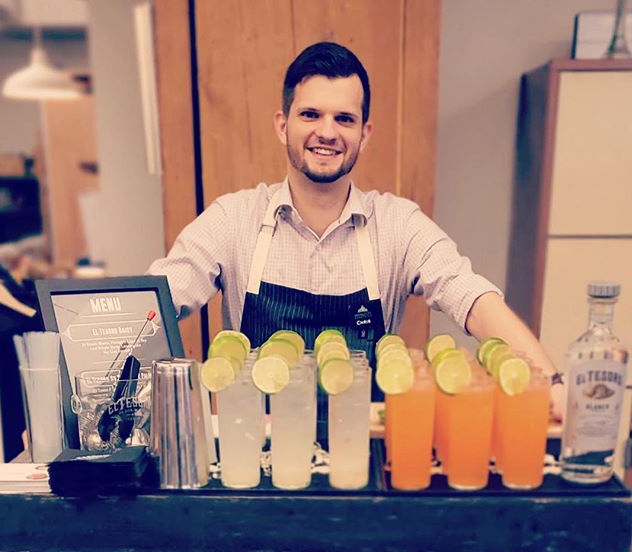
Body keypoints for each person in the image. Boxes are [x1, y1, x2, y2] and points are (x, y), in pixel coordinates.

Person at [147, 41, 564, 419]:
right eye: (310, 114)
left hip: (366, 458)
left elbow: (471, 296)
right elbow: (159, 297)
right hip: (258, 461)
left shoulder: (398, 225)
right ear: (282, 125)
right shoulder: (232, 219)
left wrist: (551, 384)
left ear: (364, 134)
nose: (327, 132)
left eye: (344, 118)